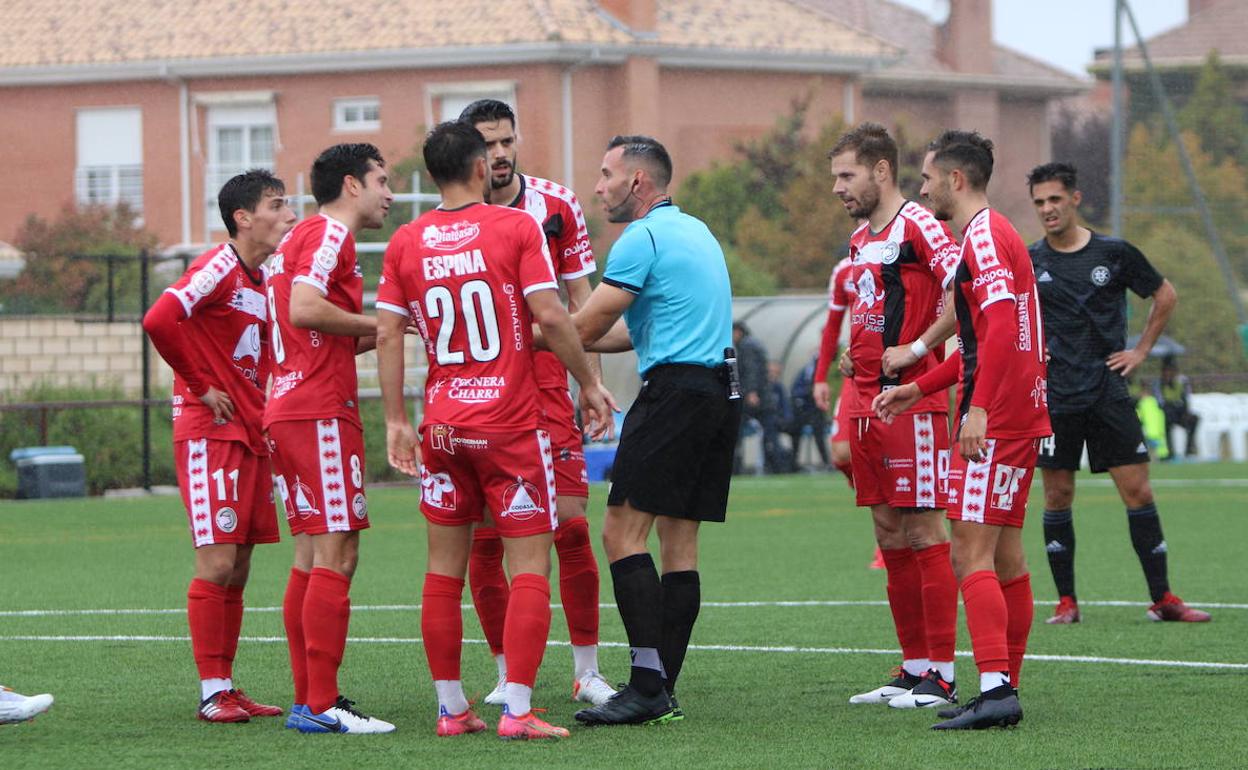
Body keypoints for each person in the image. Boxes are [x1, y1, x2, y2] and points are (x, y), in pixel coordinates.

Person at [376, 120, 615, 740]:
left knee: (441, 572)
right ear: (482, 167)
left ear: (431, 176)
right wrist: (588, 383)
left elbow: (384, 333)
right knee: (531, 563)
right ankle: (518, 709)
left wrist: (397, 420)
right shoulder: (516, 226)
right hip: (508, 425)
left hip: (443, 427)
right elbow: (552, 315)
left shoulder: (406, 239)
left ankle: (452, 708)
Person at [878, 129, 1050, 729]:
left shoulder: (982, 235)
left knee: (967, 549)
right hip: (1020, 411)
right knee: (1005, 555)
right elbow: (979, 341)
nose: (921, 189)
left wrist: (976, 408)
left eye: (926, 179)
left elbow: (1000, 329)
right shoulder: (996, 233)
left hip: (998, 418)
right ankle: (1006, 683)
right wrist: (919, 386)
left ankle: (997, 689)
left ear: (955, 180)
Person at [569, 135, 739, 726]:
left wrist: (515, 336)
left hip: (675, 395)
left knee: (620, 533)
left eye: (606, 173)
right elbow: (620, 333)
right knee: (679, 543)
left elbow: (586, 323)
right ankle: (661, 685)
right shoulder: (696, 231)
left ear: (637, 182)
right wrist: (563, 335)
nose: (598, 186)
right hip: (718, 390)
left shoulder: (638, 238)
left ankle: (645, 685)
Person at [456, 99, 615, 707]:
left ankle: (586, 670)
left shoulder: (555, 204)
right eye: (486, 143)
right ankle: (503, 672)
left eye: (505, 141)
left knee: (571, 525)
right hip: (480, 390)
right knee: (487, 538)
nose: (498, 153)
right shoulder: (452, 216)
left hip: (548, 381)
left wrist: (588, 382)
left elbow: (582, 298)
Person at [1026, 162, 1208, 624]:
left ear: (1074, 199)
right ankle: (1066, 603)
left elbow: (1164, 295)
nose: (1047, 209)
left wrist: (1140, 350)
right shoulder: (1030, 261)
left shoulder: (1114, 252)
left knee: (1138, 491)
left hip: (1108, 391)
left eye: (1054, 199)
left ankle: (1162, 598)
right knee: (1057, 497)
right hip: (1057, 397)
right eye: (1039, 202)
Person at [142, 169, 294, 723]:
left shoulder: (261, 280)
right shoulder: (218, 266)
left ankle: (226, 685)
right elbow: (160, 319)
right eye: (277, 205)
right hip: (211, 432)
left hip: (251, 433)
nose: (288, 214)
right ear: (243, 218)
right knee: (218, 560)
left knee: (240, 564)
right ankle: (211, 692)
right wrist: (201, 385)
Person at [828, 122, 962, 711]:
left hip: (913, 399)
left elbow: (966, 294)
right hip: (864, 398)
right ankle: (911, 667)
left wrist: (915, 349)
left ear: (881, 170)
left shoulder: (921, 224)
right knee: (887, 531)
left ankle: (943, 671)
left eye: (846, 174)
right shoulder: (861, 239)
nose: (838, 187)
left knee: (925, 530)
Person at [265, 143, 396, 734]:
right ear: (351, 185)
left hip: (291, 406)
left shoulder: (294, 240)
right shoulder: (328, 236)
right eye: (382, 181)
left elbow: (317, 332)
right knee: (338, 552)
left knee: (312, 555)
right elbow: (304, 309)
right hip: (318, 411)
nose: (390, 194)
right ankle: (322, 704)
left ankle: (308, 700)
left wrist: (392, 330)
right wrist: (385, 324)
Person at [813, 255, 858, 485]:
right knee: (841, 452)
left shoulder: (902, 248)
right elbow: (832, 327)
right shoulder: (844, 270)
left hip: (896, 370)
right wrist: (820, 378)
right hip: (857, 371)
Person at [733, 321, 769, 472]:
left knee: (738, 430)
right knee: (768, 431)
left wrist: (751, 392)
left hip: (752, 395)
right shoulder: (754, 344)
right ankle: (772, 464)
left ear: (739, 332)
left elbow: (751, 370)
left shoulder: (746, 346)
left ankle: (737, 466)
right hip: (763, 395)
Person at [788, 357, 830, 471]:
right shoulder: (810, 368)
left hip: (812, 407)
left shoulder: (813, 367)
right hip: (806, 407)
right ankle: (794, 463)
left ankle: (826, 461)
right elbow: (802, 388)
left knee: (817, 432)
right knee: (799, 431)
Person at [1155, 356, 1199, 460]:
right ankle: (1169, 452)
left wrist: (1186, 411)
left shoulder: (1182, 381)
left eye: (1171, 370)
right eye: (1166, 371)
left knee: (1193, 420)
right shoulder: (1158, 383)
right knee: (1166, 421)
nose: (1169, 373)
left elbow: (1186, 397)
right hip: (1166, 412)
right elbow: (1159, 401)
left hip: (1180, 411)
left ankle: (1189, 451)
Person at [763, 361, 794, 473]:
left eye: (775, 372)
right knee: (770, 432)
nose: (773, 375)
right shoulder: (763, 387)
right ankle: (776, 464)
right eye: (771, 372)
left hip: (779, 422)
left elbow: (786, 406)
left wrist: (786, 420)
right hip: (767, 420)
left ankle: (788, 463)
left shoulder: (779, 388)